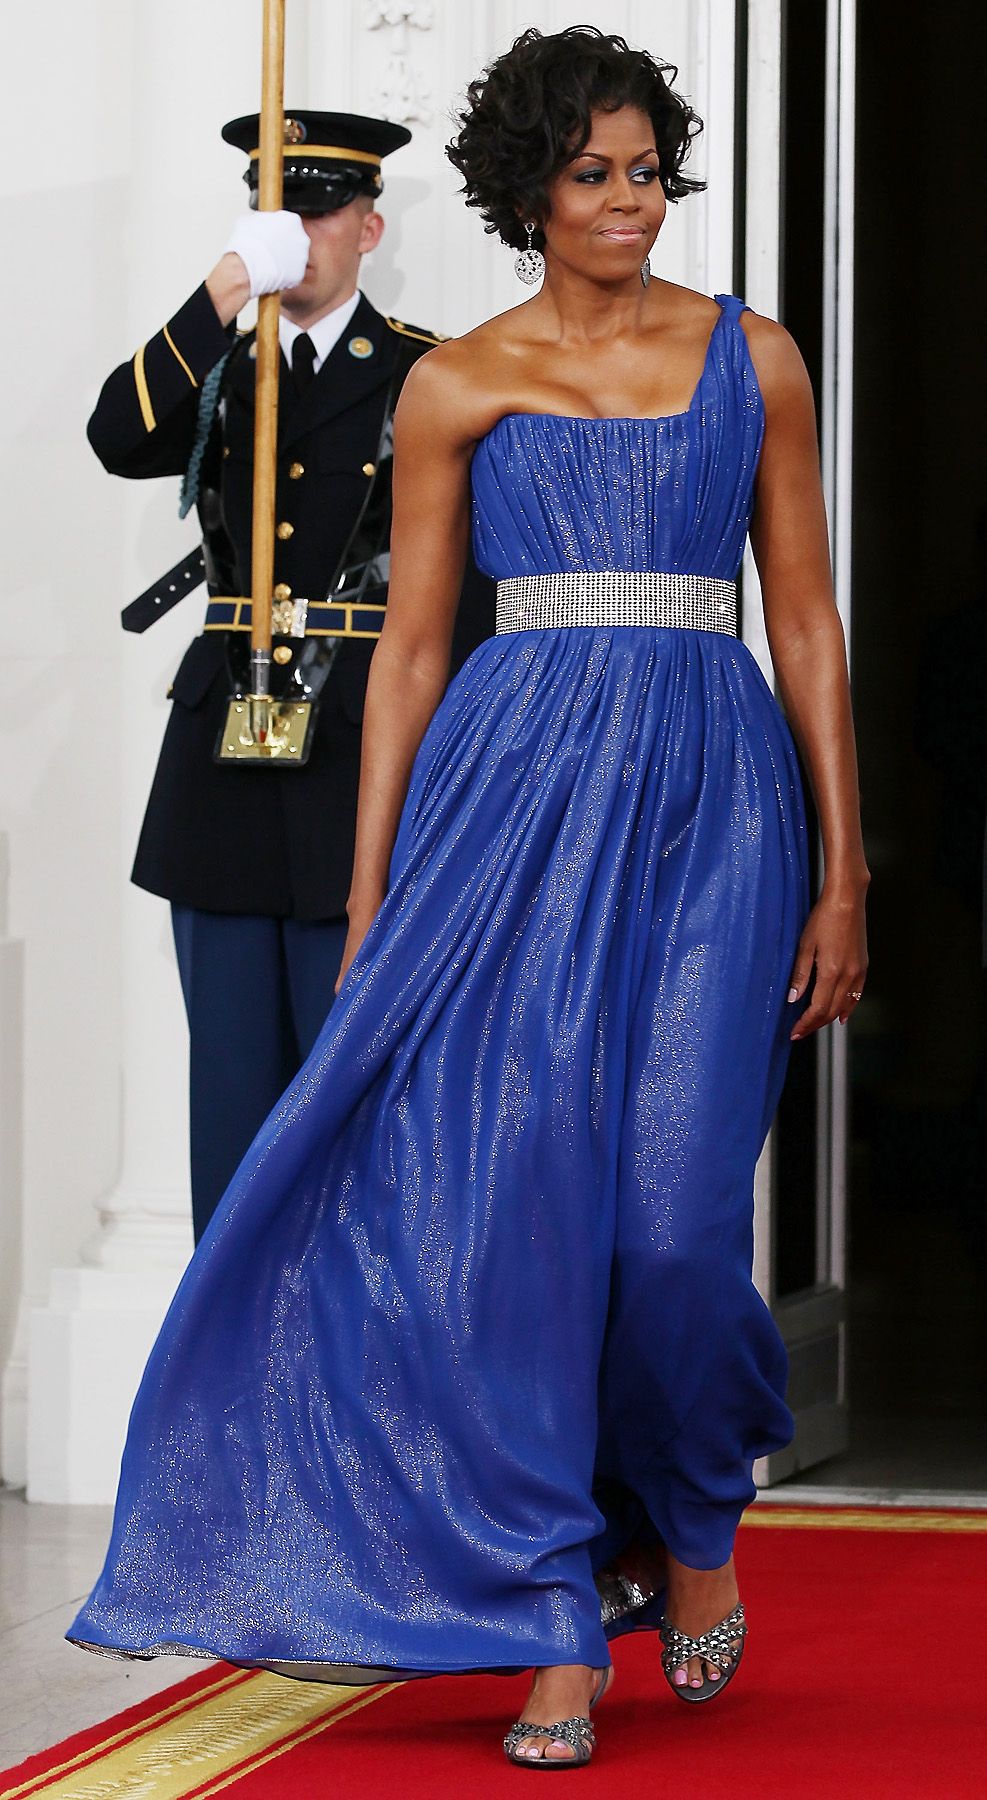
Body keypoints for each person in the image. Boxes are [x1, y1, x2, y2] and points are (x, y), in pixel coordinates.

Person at [69, 27, 869, 1772]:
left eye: (648, 168)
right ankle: (552, 1615)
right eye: (591, 173)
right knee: (511, 1238)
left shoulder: (758, 357)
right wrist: (371, 903)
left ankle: (699, 1522)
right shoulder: (460, 382)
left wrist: (844, 867)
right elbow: (415, 656)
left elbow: (802, 617)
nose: (627, 201)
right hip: (500, 816)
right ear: (524, 193)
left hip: (708, 805)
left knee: (668, 1231)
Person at [89, 110, 495, 1240]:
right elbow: (117, 435)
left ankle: (348, 1384)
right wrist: (224, 288)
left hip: (360, 770)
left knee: (355, 1107)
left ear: (368, 225)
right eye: (277, 213)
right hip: (222, 770)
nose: (299, 234)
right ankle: (229, 1391)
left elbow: (474, 587)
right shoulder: (223, 366)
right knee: (228, 1113)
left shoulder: (426, 371)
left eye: (319, 211)